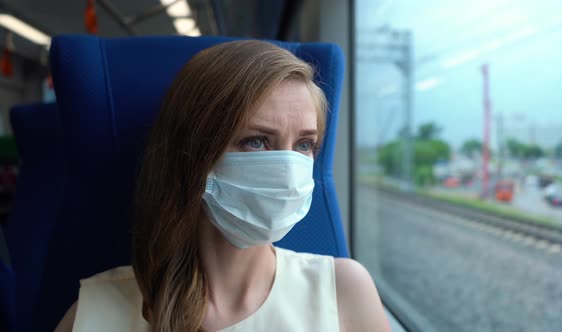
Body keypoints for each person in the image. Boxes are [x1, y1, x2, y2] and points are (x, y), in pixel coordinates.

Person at [55, 40, 390, 332]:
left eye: (304, 145)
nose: (288, 171)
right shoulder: (96, 311)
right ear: (193, 156)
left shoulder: (344, 290)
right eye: (257, 142)